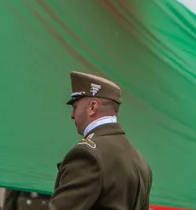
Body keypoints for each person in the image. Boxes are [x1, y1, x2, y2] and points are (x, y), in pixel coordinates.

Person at [49, 72, 151, 210]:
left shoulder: (87, 155)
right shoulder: (140, 160)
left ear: (92, 107)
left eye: (75, 107)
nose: (72, 115)